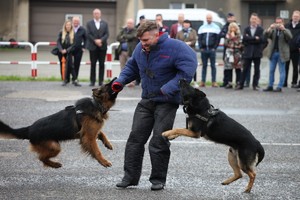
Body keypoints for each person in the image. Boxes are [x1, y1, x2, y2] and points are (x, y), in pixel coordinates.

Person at [112, 20, 197, 191]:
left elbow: (187, 71)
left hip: (166, 102)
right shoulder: (140, 48)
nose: (142, 44)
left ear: (156, 35)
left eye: (146, 40)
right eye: (140, 40)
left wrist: (168, 89)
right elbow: (132, 67)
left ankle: (158, 180)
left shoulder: (177, 48)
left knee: (159, 141)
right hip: (147, 100)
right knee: (135, 140)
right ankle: (130, 177)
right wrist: (120, 81)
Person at [236, 13, 264, 91]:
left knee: (257, 70)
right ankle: (241, 84)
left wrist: (250, 38)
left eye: (255, 19)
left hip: (257, 52)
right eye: (252, 19)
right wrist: (255, 38)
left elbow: (262, 39)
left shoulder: (260, 29)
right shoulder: (246, 29)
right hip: (248, 52)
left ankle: (255, 85)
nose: (253, 21)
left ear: (257, 20)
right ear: (250, 20)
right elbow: (245, 39)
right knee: (245, 69)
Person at [263, 17, 292, 92]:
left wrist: (284, 29)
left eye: (280, 23)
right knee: (271, 70)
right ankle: (270, 85)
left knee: (282, 70)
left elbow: (290, 37)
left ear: (283, 23)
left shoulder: (286, 30)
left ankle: (279, 86)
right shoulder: (273, 31)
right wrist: (270, 28)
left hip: (282, 54)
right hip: (273, 53)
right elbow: (265, 35)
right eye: (277, 23)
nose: (278, 24)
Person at [86, 8, 109, 86]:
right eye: (95, 13)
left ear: (100, 14)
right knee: (93, 64)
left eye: (98, 13)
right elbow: (88, 34)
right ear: (93, 14)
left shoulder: (105, 23)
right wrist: (95, 41)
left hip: (102, 47)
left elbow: (107, 34)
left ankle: (101, 81)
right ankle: (92, 81)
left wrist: (101, 40)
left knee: (102, 64)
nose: (96, 15)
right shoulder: (89, 23)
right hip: (93, 47)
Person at [198, 13, 221, 87]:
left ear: (212, 19)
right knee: (204, 66)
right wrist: (201, 47)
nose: (209, 19)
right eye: (207, 18)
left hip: (212, 50)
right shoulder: (202, 27)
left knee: (213, 66)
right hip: (204, 50)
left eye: (210, 18)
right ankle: (203, 81)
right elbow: (199, 38)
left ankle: (214, 82)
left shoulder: (216, 27)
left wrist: (215, 48)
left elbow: (218, 39)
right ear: (206, 19)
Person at [116, 18, 139, 86]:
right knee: (122, 67)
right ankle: (122, 81)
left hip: (130, 52)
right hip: (122, 52)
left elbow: (132, 36)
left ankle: (132, 82)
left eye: (130, 23)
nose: (129, 25)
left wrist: (124, 37)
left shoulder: (135, 30)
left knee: (131, 67)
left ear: (133, 24)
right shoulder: (123, 30)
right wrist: (124, 36)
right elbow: (118, 37)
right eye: (128, 23)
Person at [176, 19, 198, 87]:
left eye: (187, 23)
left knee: (193, 66)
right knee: (182, 67)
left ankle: (194, 81)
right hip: (182, 52)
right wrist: (183, 44)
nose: (186, 25)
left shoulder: (193, 31)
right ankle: (182, 82)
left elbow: (195, 40)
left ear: (189, 24)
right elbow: (177, 41)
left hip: (191, 51)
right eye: (185, 23)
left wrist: (189, 43)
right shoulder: (179, 32)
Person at [219, 12, 238, 87]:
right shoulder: (225, 26)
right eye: (229, 17)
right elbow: (221, 34)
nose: (230, 19)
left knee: (237, 67)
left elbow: (239, 35)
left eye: (231, 17)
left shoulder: (237, 25)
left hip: (236, 49)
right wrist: (226, 34)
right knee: (227, 66)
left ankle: (238, 82)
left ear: (234, 18)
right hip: (227, 49)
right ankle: (226, 82)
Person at [56, 20, 78, 86]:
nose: (68, 26)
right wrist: (61, 50)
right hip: (61, 53)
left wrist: (67, 50)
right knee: (62, 66)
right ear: (65, 26)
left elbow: (74, 44)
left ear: (71, 26)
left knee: (71, 66)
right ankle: (64, 80)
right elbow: (58, 42)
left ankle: (75, 79)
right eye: (67, 25)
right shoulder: (61, 32)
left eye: (69, 25)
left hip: (69, 52)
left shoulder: (73, 33)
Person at [223, 22, 243, 89]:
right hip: (229, 53)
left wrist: (234, 37)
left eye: (234, 27)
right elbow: (226, 43)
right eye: (231, 27)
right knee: (229, 68)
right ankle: (229, 82)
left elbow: (239, 44)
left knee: (238, 68)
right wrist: (230, 38)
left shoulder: (239, 35)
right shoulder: (227, 35)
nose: (232, 29)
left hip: (237, 53)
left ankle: (238, 82)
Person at [284, 10, 300, 88]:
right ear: (292, 17)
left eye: (297, 17)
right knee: (285, 67)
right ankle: (284, 82)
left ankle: (294, 82)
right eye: (294, 16)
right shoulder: (287, 25)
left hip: (296, 50)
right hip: (287, 49)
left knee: (295, 67)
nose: (295, 18)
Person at [72, 16, 87, 87]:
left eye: (77, 21)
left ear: (79, 22)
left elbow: (86, 39)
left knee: (77, 64)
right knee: (69, 64)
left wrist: (84, 47)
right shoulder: (70, 28)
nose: (76, 23)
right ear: (72, 22)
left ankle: (75, 79)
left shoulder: (82, 29)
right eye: (74, 21)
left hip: (79, 50)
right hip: (70, 49)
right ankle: (67, 79)